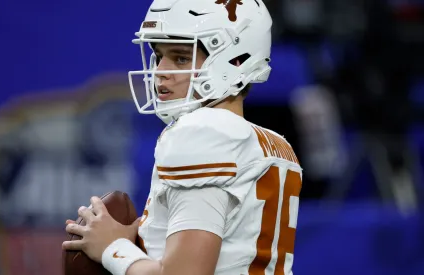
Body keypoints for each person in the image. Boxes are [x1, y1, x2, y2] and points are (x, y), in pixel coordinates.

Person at [63, 0, 303, 274]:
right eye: (158, 55)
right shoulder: (276, 145)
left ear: (236, 60)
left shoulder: (201, 133)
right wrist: (143, 233)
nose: (160, 70)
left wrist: (114, 250)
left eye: (180, 57)